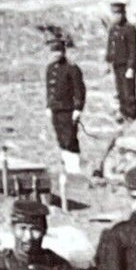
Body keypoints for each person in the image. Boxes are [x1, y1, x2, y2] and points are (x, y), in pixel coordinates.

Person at [45, 36, 85, 172]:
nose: (56, 54)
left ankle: (74, 169)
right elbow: (49, 89)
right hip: (55, 109)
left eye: (58, 51)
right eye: (53, 51)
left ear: (63, 52)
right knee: (60, 139)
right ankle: (67, 168)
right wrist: (48, 106)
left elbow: (79, 89)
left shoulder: (72, 69)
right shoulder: (50, 69)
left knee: (70, 139)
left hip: (68, 109)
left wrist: (78, 108)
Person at [107, 1, 136, 123]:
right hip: (117, 65)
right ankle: (123, 112)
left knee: (128, 91)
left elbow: (133, 50)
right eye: (114, 14)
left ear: (124, 14)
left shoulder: (130, 29)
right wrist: (108, 61)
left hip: (126, 65)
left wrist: (131, 67)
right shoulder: (113, 29)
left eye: (118, 13)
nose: (116, 16)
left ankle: (132, 115)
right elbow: (110, 47)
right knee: (120, 90)